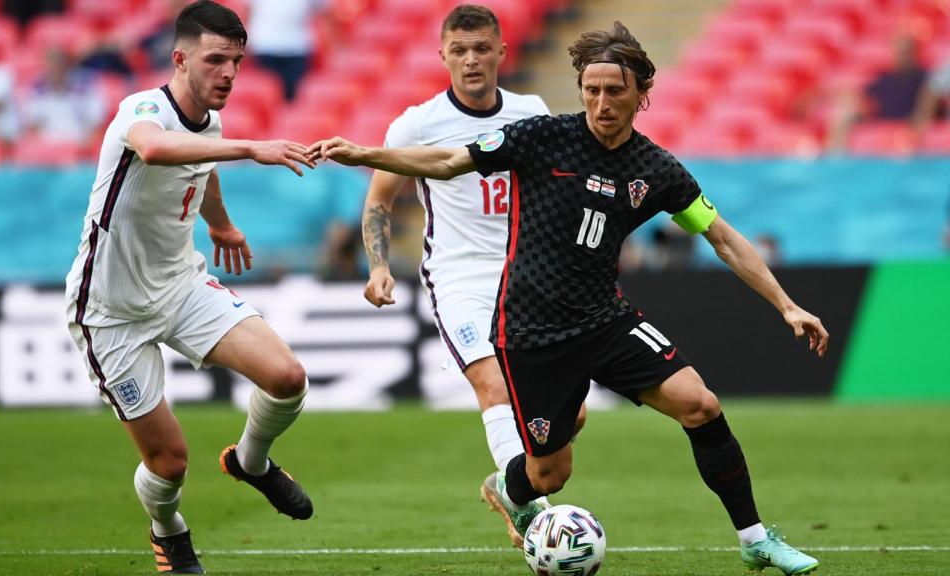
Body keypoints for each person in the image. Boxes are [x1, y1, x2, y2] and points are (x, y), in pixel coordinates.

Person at [309, 22, 829, 576]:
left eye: (615, 91)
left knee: (700, 404)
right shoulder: (542, 137)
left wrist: (786, 304)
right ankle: (509, 488)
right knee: (548, 476)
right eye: (592, 90)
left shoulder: (656, 169)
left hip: (606, 319)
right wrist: (367, 153)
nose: (602, 103)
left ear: (641, 94)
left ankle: (754, 539)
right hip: (533, 333)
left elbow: (721, 236)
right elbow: (448, 162)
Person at [64, 3, 316, 574]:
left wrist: (220, 223)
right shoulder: (143, 109)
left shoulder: (211, 121)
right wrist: (254, 147)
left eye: (236, 61)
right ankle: (168, 529)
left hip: (180, 286)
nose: (228, 73)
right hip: (110, 310)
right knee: (169, 463)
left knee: (287, 378)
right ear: (180, 59)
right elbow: (156, 148)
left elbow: (201, 168)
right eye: (215, 60)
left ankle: (252, 463)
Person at [358, 4, 586, 549]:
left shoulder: (531, 112)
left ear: (502, 52)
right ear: (442, 57)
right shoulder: (417, 124)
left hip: (529, 279)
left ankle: (506, 485)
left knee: (569, 414)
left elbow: (556, 192)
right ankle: (536, 517)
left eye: (482, 48)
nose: (471, 60)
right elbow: (379, 200)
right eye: (459, 50)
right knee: (494, 387)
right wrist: (379, 266)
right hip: (459, 278)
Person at [246, 0, 329, 101]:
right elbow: (248, 11)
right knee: (265, 94)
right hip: (264, 46)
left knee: (295, 96)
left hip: (297, 48)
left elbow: (324, 11)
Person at [21, 48, 105, 145]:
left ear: (67, 65)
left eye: (58, 64)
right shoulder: (36, 89)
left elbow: (96, 120)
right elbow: (32, 124)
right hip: (47, 147)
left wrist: (85, 142)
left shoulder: (87, 86)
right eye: (51, 64)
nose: (55, 68)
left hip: (80, 144)